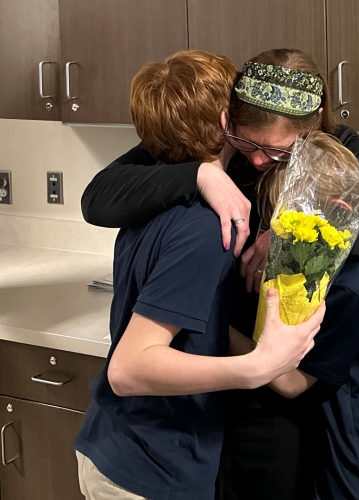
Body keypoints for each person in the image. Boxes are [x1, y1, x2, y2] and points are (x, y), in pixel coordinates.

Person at [80, 48, 359, 499]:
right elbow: (98, 196)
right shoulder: (214, 146)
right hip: (223, 378)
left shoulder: (337, 148)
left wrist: (291, 232)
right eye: (249, 144)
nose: (259, 161)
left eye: (277, 152)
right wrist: (202, 176)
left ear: (315, 125)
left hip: (267, 379)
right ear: (228, 122)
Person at [73, 50, 325, 500]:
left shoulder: (153, 196)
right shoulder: (208, 227)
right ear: (227, 120)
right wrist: (259, 364)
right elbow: (128, 369)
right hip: (150, 467)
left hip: (119, 445)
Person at [242, 131, 359, 499]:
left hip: (358, 473)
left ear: (340, 211)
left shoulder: (345, 289)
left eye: (288, 228)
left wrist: (218, 328)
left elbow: (290, 383)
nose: (281, 243)